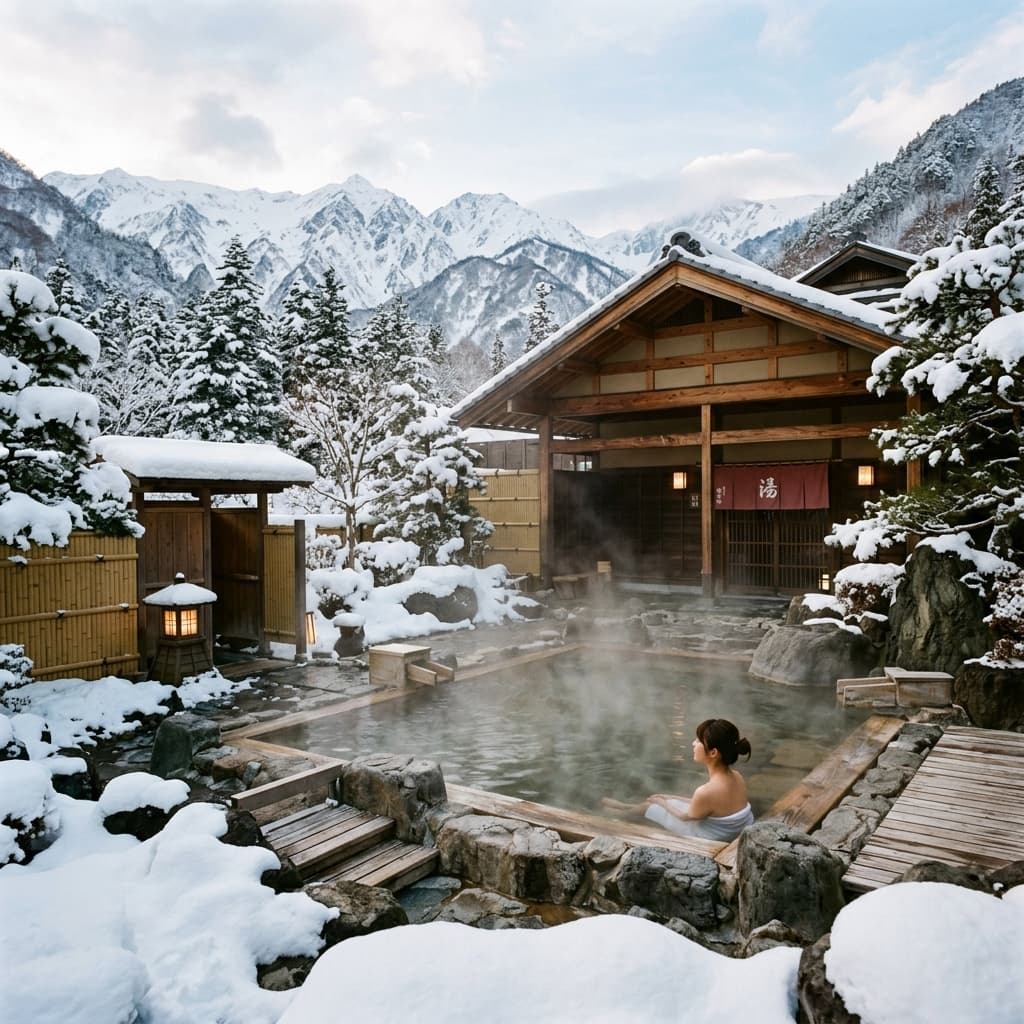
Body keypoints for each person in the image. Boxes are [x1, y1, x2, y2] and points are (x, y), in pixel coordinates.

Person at [603, 718, 755, 841]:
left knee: (654, 807)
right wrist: (669, 797)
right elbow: (705, 805)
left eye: (698, 741)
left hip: (708, 835)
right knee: (660, 802)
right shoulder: (736, 776)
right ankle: (626, 806)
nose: (693, 744)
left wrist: (662, 803)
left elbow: (685, 817)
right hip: (732, 827)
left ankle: (621, 814)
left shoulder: (706, 791)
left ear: (714, 752)